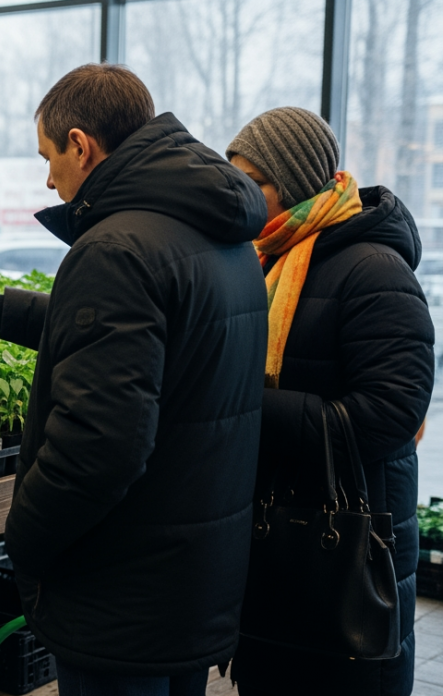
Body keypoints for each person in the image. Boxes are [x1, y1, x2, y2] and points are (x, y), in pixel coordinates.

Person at [0, 63, 270, 695]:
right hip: (195, 579)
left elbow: (100, 447)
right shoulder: (222, 233)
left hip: (122, 593)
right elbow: (161, 337)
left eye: (48, 157)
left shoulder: (115, 248)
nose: (47, 179)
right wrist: (5, 310)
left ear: (81, 146)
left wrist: (23, 539)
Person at [224, 107, 433, 696]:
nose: (238, 196)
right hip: (283, 543)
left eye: (252, 182)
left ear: (290, 184)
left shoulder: (374, 270)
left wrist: (244, 409)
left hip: (351, 551)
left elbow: (393, 416)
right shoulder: (263, 261)